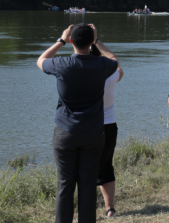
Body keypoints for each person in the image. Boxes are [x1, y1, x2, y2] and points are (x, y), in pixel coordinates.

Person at [37, 23, 119, 223]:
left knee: (65, 184)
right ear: (91, 42)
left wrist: (61, 40)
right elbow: (114, 60)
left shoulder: (62, 64)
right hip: (93, 134)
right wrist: (97, 40)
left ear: (72, 40)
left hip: (66, 132)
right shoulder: (101, 65)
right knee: (88, 185)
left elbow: (41, 60)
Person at [92, 44, 124, 219]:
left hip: (88, 126)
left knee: (86, 167)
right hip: (108, 126)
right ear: (101, 57)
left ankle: (86, 208)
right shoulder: (111, 73)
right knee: (106, 166)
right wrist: (97, 41)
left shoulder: (81, 74)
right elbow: (117, 65)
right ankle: (109, 208)